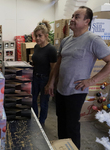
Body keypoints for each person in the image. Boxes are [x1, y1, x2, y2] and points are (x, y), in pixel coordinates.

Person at [45, 6, 110, 149]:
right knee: (61, 123)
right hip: (61, 89)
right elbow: (58, 63)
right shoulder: (66, 40)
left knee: (72, 126)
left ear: (87, 21)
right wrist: (51, 83)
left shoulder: (93, 40)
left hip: (76, 91)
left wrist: (91, 80)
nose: (72, 19)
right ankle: (63, 146)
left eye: (76, 17)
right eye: (72, 16)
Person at [32, 19, 57, 126]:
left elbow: (54, 69)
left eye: (40, 36)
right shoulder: (36, 47)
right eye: (36, 36)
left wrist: (50, 84)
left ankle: (41, 122)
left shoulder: (51, 49)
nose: (37, 38)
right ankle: (34, 120)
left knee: (43, 103)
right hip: (35, 78)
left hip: (45, 79)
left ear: (46, 36)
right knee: (32, 100)